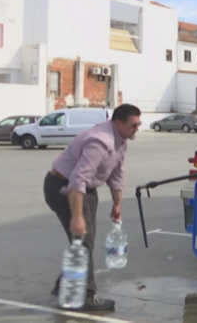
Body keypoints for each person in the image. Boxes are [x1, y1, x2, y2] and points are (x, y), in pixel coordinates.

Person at [43, 103, 141, 311]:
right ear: (118, 123)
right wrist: (77, 217)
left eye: (138, 125)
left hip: (85, 190)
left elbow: (116, 174)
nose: (137, 129)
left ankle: (65, 288)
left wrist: (117, 203)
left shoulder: (120, 140)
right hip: (65, 187)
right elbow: (77, 180)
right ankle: (86, 296)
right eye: (133, 125)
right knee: (83, 242)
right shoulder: (100, 142)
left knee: (84, 243)